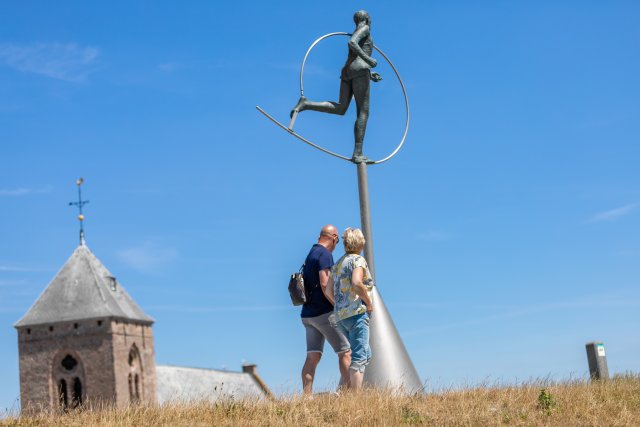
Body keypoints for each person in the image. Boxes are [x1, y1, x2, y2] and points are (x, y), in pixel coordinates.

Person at [290, 10, 382, 163]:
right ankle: (358, 153)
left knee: (341, 108)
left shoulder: (357, 29)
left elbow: (354, 55)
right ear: (366, 19)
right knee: (363, 112)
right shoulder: (364, 28)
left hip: (348, 70)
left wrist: (370, 74)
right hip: (360, 70)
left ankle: (305, 104)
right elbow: (352, 42)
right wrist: (369, 60)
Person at [300, 225, 351, 394]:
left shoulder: (311, 254)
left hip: (307, 315)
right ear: (334, 238)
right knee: (345, 352)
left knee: (312, 357)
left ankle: (306, 397)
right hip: (324, 314)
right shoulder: (324, 254)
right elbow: (324, 283)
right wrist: (338, 305)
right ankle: (349, 394)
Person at [326, 227, 374, 389]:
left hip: (341, 317)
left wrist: (339, 304)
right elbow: (356, 282)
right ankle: (356, 397)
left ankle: (351, 390)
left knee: (366, 353)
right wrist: (368, 302)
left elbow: (327, 290)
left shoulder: (338, 263)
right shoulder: (358, 260)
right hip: (357, 313)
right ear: (361, 244)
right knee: (359, 357)